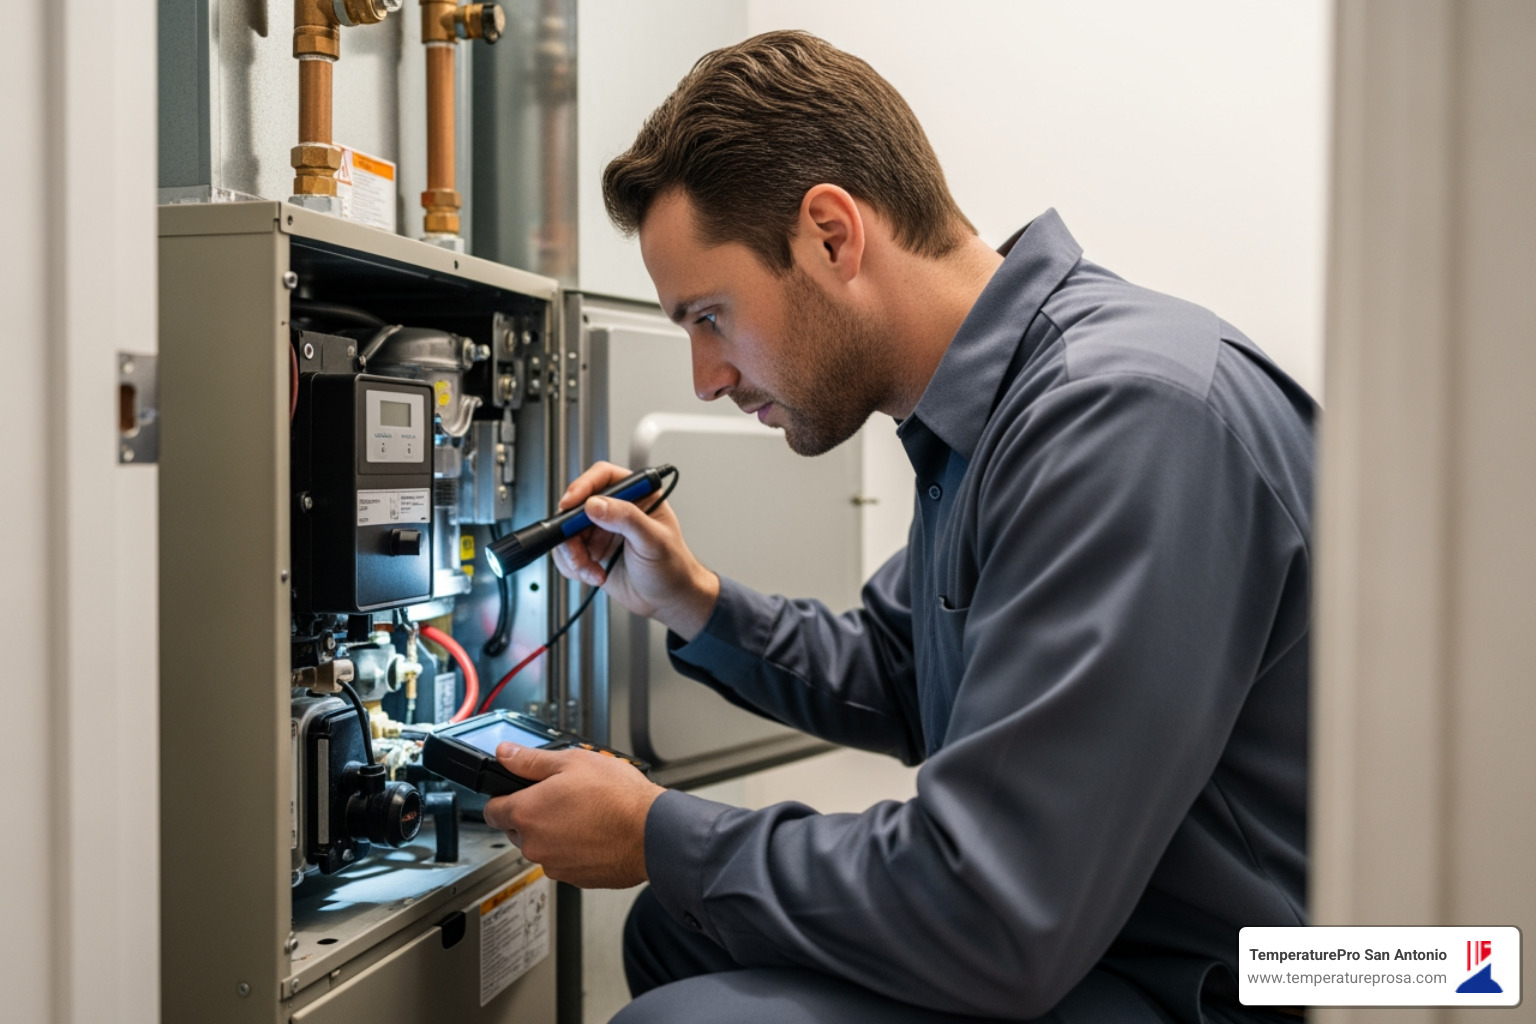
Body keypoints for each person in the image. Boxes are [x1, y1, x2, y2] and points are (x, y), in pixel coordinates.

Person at [481, 30, 1313, 1024]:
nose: (706, 377)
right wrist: (693, 601)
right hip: (1107, 919)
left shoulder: (1125, 418)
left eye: (709, 315)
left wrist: (658, 829)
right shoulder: (1001, 409)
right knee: (674, 921)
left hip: (1255, 978)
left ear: (831, 234)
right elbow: (908, 666)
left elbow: (992, 908)